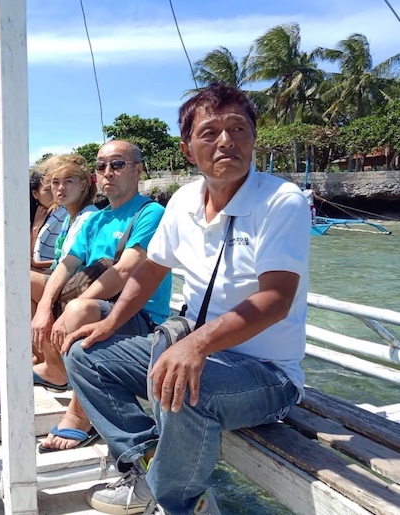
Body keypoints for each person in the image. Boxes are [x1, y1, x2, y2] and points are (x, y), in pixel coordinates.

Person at [68, 83, 310, 514]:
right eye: (210, 132)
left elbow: (276, 299)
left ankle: (174, 503)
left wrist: (196, 344)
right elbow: (152, 270)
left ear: (253, 138)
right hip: (197, 351)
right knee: (84, 354)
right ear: (187, 149)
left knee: (181, 387)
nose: (226, 141)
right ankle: (146, 462)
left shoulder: (281, 201)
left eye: (238, 128)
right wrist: (108, 324)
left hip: (267, 374)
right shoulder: (183, 200)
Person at [31, 140, 172, 453]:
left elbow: (125, 271)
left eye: (118, 164)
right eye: (101, 166)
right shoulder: (96, 220)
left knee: (79, 311)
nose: (108, 172)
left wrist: (75, 308)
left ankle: (79, 417)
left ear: (138, 170)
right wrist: (44, 307)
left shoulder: (151, 213)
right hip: (100, 306)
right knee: (31, 287)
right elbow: (66, 266)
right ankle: (54, 367)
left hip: (140, 316)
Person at [30, 154, 98, 319]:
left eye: (68, 181)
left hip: (76, 286)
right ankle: (38, 345)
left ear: (83, 185)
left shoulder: (88, 217)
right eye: (55, 182)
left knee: (15, 280)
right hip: (64, 280)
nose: (60, 188)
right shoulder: (69, 218)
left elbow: (73, 265)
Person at [30, 160, 69, 271]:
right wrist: (35, 229)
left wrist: (37, 264)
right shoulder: (31, 216)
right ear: (35, 194)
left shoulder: (66, 213)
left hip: (58, 270)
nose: (54, 193)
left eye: (55, 186)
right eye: (48, 189)